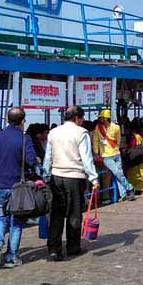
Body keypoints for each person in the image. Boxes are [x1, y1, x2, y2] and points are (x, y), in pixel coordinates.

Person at [0, 107, 39, 268]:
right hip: (19, 188)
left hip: (0, 185)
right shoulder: (25, 139)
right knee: (16, 222)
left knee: (0, 218)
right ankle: (11, 257)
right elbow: (31, 161)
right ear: (23, 121)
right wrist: (37, 159)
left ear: (6, 119)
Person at [43, 106, 100, 261]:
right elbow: (86, 158)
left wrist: (46, 174)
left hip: (56, 176)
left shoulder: (53, 132)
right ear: (77, 118)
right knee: (74, 213)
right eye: (81, 119)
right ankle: (73, 247)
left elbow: (48, 156)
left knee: (56, 214)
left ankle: (54, 248)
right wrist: (94, 178)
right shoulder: (81, 133)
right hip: (75, 177)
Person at [93, 109, 135, 202]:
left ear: (105, 118)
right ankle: (130, 188)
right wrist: (96, 152)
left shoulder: (116, 127)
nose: (100, 119)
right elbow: (95, 141)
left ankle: (123, 194)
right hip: (106, 155)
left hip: (115, 153)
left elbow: (118, 140)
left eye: (101, 117)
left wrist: (114, 148)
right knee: (117, 173)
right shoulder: (98, 129)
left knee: (118, 174)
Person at [125, 120, 143, 196]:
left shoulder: (134, 137)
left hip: (135, 159)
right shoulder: (140, 136)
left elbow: (132, 146)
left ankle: (141, 189)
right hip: (141, 158)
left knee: (135, 175)